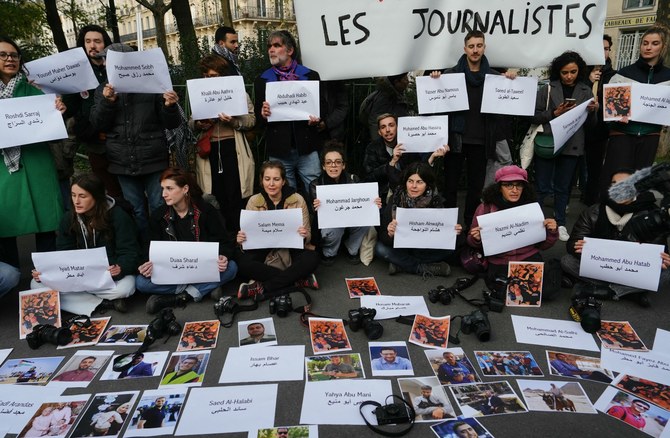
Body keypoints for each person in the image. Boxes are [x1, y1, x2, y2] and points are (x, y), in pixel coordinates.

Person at [90, 43, 181, 237]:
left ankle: (163, 248)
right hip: (122, 161)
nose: (104, 63)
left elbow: (171, 123)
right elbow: (97, 124)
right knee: (135, 209)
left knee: (159, 206)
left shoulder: (152, 85)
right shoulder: (102, 90)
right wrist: (108, 102)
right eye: (104, 60)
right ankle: (143, 250)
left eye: (108, 59)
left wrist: (169, 106)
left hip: (153, 159)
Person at [429, 30, 516, 228]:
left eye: (479, 46)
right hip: (455, 139)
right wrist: (435, 78)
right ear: (464, 49)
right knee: (450, 187)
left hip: (481, 140)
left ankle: (470, 228)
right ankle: (449, 228)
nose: (475, 50)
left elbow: (508, 101)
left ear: (484, 47)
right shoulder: (450, 75)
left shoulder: (495, 77)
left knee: (476, 189)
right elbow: (433, 100)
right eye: (471, 46)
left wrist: (509, 82)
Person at [30, 174, 139, 316]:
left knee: (125, 288)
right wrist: (45, 272)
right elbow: (63, 253)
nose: (76, 201)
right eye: (73, 195)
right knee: (36, 284)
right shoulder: (69, 218)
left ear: (97, 197)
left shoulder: (118, 216)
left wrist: (120, 268)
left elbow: (130, 251)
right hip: (77, 276)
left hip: (105, 276)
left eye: (82, 196)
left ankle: (80, 302)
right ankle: (103, 303)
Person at [561, 169, 670, 308]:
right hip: (602, 267)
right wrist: (579, 247)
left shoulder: (651, 213)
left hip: (631, 271)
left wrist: (662, 260)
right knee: (567, 261)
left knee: (666, 274)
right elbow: (572, 243)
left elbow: (660, 248)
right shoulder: (594, 211)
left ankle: (607, 290)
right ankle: (629, 292)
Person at [0, 36, 66, 263]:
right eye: (3, 55)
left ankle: (47, 275)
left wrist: (57, 111)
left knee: (47, 220)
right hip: (3, 169)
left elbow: (55, 131)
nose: (10, 59)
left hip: (37, 163)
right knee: (4, 223)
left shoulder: (34, 91)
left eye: (14, 55)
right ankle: (10, 277)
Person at [137, 168, 238, 314]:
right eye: (163, 189)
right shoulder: (158, 216)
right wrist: (146, 263)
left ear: (185, 189)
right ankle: (201, 289)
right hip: (173, 272)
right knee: (140, 282)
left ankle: (179, 297)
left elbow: (225, 242)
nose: (164, 194)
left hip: (202, 268)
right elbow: (149, 247)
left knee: (232, 267)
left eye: (169, 189)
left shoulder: (206, 211)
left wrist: (223, 256)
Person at [531, 51, 599, 241]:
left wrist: (594, 112)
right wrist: (554, 112)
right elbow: (533, 116)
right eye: (564, 72)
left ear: (580, 71)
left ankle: (560, 223)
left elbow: (591, 126)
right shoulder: (548, 89)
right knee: (542, 186)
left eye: (573, 71)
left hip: (573, 145)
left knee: (563, 188)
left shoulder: (586, 91)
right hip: (549, 143)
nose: (569, 76)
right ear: (558, 72)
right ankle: (535, 222)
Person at [254, 30, 327, 191]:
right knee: (284, 193)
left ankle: (313, 218)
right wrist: (263, 114)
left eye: (276, 45)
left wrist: (318, 119)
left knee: (315, 190)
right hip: (279, 149)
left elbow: (323, 108)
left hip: (307, 145)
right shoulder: (262, 80)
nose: (271, 50)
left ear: (290, 50)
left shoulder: (310, 76)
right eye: (269, 46)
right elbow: (259, 121)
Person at [235, 161, 320, 300]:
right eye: (267, 179)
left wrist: (304, 235)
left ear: (283, 181)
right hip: (263, 251)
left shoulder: (298, 199)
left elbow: (308, 235)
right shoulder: (253, 201)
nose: (271, 184)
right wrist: (241, 239)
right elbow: (247, 237)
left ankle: (262, 287)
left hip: (291, 249)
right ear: (262, 181)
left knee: (313, 257)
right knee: (241, 263)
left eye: (276, 179)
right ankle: (297, 279)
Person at [601, 26, 670, 194]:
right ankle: (607, 218)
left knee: (640, 183)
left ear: (663, 46)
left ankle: (635, 219)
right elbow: (609, 109)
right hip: (622, 135)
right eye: (645, 43)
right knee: (615, 182)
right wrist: (615, 117)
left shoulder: (668, 77)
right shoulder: (623, 74)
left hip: (650, 136)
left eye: (654, 43)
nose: (648, 47)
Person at [193, 54, 255, 232]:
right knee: (214, 194)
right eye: (205, 76)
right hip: (210, 150)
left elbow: (251, 120)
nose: (208, 80)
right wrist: (199, 123)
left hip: (233, 148)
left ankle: (238, 235)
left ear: (222, 75)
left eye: (213, 76)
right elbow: (191, 123)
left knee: (235, 194)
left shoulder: (238, 92)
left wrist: (233, 121)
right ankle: (221, 236)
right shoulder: (201, 94)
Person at [467, 166, 558, 283]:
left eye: (519, 185)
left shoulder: (531, 208)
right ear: (499, 187)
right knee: (504, 292)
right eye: (509, 185)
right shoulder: (485, 208)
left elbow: (543, 246)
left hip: (528, 257)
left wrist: (552, 232)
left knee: (541, 292)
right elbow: (471, 241)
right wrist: (476, 239)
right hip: (499, 261)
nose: (515, 190)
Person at [62, 25, 122, 200]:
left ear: (105, 44)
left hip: (121, 141)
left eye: (97, 41)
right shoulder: (77, 72)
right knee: (109, 192)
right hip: (96, 143)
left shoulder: (115, 68)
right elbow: (71, 107)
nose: (92, 45)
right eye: (88, 41)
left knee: (127, 191)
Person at [376, 162, 461, 277]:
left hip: (425, 249)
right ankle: (422, 267)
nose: (414, 186)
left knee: (453, 247)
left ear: (427, 184)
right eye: (410, 181)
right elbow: (383, 237)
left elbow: (441, 236)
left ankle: (401, 264)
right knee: (380, 249)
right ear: (405, 182)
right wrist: (390, 234)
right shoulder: (395, 199)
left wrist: (453, 230)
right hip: (402, 248)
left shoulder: (435, 201)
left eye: (419, 182)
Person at [310, 142, 381, 265]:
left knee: (365, 222)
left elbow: (364, 205)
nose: (333, 166)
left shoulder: (353, 180)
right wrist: (315, 206)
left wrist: (373, 204)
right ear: (323, 166)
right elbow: (317, 216)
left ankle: (351, 248)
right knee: (332, 226)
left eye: (338, 162)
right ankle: (329, 252)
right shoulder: (315, 185)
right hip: (330, 225)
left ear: (343, 165)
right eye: (329, 162)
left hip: (351, 220)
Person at [583, 34, 617, 206]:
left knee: (595, 169)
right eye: (599, 48)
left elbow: (616, 107)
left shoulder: (615, 76)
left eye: (605, 48)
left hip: (600, 130)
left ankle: (591, 203)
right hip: (579, 129)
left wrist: (600, 107)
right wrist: (588, 82)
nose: (602, 52)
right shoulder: (581, 73)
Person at [363, 73, 411, 141]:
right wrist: (380, 145)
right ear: (396, 82)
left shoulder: (396, 93)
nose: (408, 81)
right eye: (405, 79)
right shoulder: (384, 97)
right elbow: (375, 122)